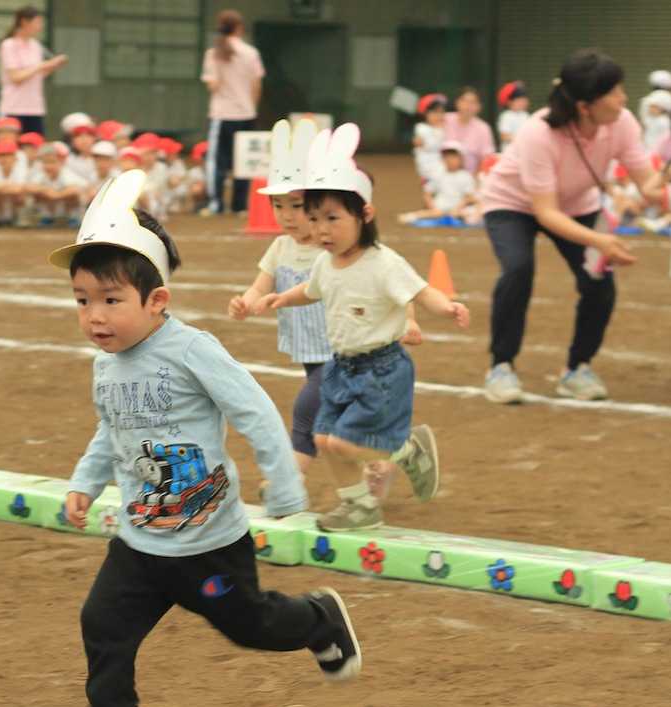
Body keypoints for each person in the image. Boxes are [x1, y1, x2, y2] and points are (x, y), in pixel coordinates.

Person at [44, 169, 362, 707]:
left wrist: (284, 480)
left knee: (251, 627)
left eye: (111, 301)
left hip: (208, 542)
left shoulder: (192, 349)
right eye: (83, 301)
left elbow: (255, 410)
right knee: (103, 622)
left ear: (155, 299)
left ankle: (319, 620)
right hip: (141, 540)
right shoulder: (106, 366)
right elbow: (110, 429)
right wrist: (86, 482)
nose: (95, 317)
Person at [256, 123, 470, 532]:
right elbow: (312, 289)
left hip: (381, 369)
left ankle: (409, 450)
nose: (320, 229)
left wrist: (447, 308)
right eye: (314, 217)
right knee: (323, 439)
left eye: (332, 218)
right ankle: (359, 506)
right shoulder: (325, 260)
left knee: (345, 443)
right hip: (342, 366)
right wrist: (282, 298)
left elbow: (421, 291)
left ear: (364, 214)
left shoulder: (383, 262)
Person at [229, 118, 404, 501]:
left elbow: (381, 284)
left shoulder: (336, 251)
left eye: (297, 206)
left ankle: (289, 482)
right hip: (309, 351)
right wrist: (248, 300)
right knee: (336, 420)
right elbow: (263, 284)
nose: (288, 216)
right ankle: (387, 457)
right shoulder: (280, 248)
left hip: (341, 350)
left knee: (308, 410)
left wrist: (406, 321)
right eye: (278, 206)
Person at [480, 50, 663, 404]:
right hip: (513, 204)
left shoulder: (622, 122)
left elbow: (648, 185)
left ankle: (577, 368)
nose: (623, 98)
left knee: (599, 284)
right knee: (518, 268)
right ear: (584, 106)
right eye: (614, 91)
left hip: (578, 204)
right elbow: (545, 212)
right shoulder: (539, 133)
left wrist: (665, 179)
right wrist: (600, 240)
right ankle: (500, 366)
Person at [200, 9, 264, 215]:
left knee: (217, 161)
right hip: (246, 114)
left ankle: (215, 203)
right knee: (244, 161)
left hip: (222, 114)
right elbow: (256, 85)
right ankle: (240, 205)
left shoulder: (213, 54)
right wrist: (250, 106)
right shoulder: (251, 53)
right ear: (239, 28)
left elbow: (212, 86)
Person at [0, 5, 67, 135]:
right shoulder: (9, 45)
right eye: (37, 22)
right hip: (14, 108)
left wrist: (53, 65)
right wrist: (41, 65)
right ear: (24, 22)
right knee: (10, 150)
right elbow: (15, 77)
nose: (40, 26)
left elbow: (37, 75)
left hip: (35, 108)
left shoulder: (35, 45)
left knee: (35, 150)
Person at [397, 140, 479, 225]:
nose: (450, 160)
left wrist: (457, 208)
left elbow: (469, 197)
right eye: (446, 157)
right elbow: (427, 193)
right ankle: (413, 216)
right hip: (440, 207)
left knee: (469, 213)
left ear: (461, 159)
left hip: (459, 209)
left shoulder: (465, 176)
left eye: (453, 156)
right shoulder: (438, 174)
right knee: (436, 213)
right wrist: (432, 208)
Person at [443, 87, 496, 175]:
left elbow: (486, 158)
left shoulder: (483, 128)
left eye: (473, 102)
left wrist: (476, 182)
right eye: (464, 101)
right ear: (457, 102)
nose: (468, 106)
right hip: (442, 178)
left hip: (469, 180)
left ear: (479, 106)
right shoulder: (444, 120)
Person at [412, 93, 448, 194]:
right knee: (430, 192)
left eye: (441, 112)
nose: (438, 115)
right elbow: (429, 145)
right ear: (425, 114)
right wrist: (439, 130)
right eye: (434, 112)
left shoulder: (445, 126)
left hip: (443, 167)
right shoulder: (421, 128)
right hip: (428, 168)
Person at [496, 81, 531, 150]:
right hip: (510, 151)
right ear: (509, 102)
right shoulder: (506, 116)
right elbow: (504, 135)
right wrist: (520, 139)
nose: (521, 102)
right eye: (518, 100)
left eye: (523, 100)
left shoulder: (526, 115)